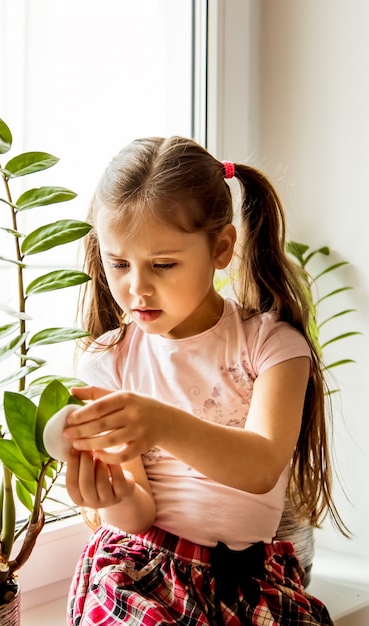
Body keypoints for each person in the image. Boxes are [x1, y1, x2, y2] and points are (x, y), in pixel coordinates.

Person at [61, 136, 344, 625]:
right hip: (142, 571)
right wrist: (111, 497)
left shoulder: (271, 345)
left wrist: (159, 423)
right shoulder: (109, 362)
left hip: (247, 580)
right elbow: (137, 516)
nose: (137, 287)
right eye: (118, 263)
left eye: (163, 264)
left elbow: (260, 466)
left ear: (221, 248)